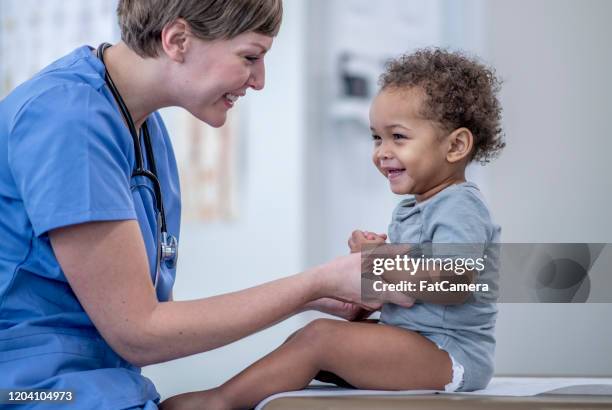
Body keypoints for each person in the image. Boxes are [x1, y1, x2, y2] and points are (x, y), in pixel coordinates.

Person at [0, 1, 414, 408]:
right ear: (178, 39)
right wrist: (315, 283)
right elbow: (139, 332)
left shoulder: (143, 130)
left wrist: (314, 296)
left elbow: (153, 320)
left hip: (98, 387)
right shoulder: (68, 119)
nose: (259, 81)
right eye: (251, 56)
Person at [160, 48, 506, 409]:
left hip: (451, 352)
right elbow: (411, 294)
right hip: (419, 338)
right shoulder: (413, 208)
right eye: (376, 137)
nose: (382, 152)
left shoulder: (460, 204)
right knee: (312, 339)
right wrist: (366, 289)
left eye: (398, 137)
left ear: (456, 146)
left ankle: (222, 402)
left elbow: (455, 280)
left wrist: (379, 260)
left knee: (320, 340)